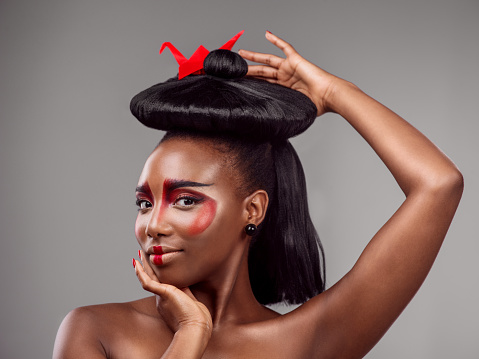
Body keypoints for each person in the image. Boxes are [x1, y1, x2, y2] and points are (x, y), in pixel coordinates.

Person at [53, 31, 463, 359]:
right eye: (145, 203)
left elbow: (438, 184)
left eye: (185, 200)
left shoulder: (307, 341)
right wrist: (191, 335)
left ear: (253, 208)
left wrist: (335, 92)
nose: (153, 225)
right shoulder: (95, 331)